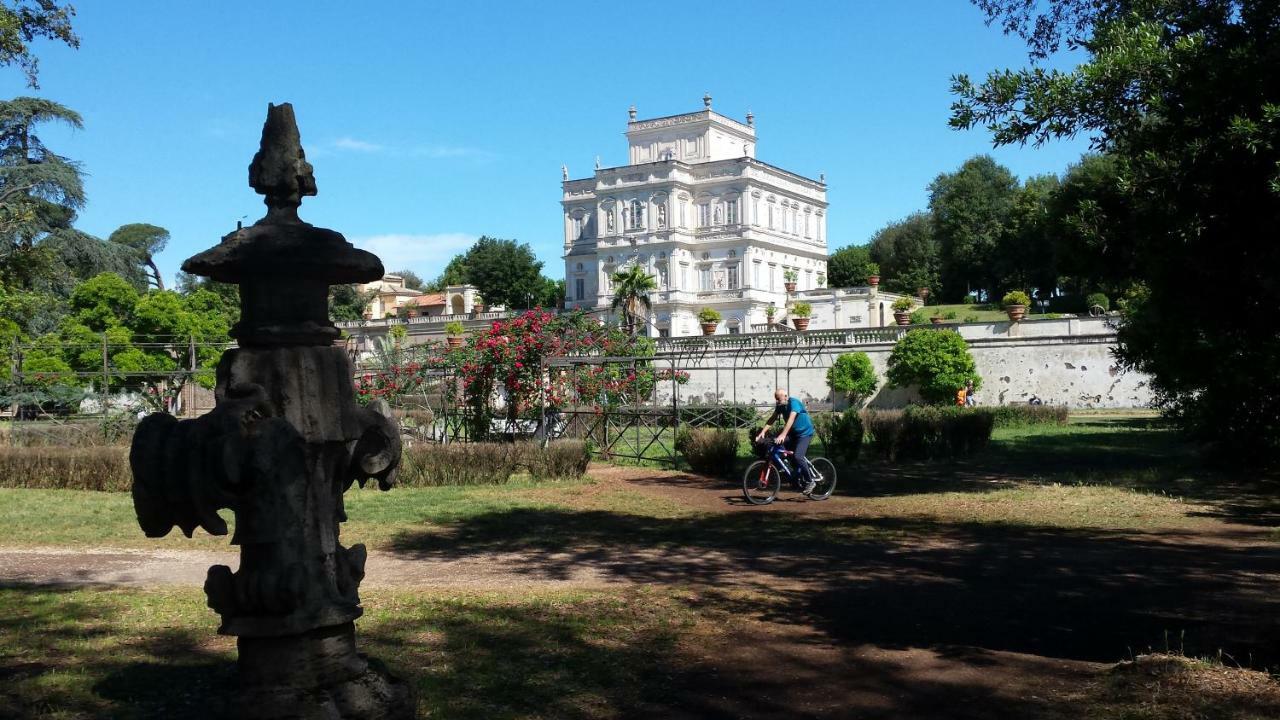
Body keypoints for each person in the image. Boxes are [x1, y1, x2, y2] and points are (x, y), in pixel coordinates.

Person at [755, 389, 816, 493]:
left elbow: (791, 420)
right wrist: (763, 432)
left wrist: (783, 435)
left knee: (798, 456)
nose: (777, 401)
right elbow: (772, 419)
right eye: (776, 399)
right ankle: (789, 469)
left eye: (779, 399)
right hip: (793, 434)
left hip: (804, 434)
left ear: (786, 396)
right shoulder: (780, 406)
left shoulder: (794, 403)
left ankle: (810, 481)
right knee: (776, 444)